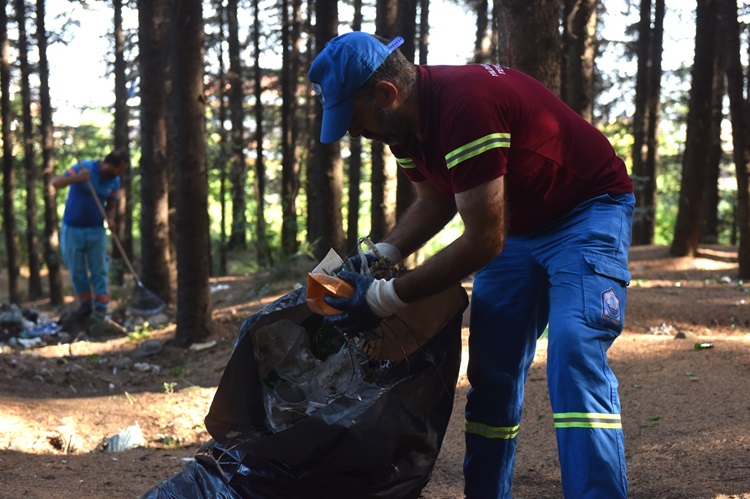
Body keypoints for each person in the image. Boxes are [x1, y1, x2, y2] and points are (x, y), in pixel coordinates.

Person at [308, 32, 633, 498]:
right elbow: (434, 198)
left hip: (586, 211)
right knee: (492, 370)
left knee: (573, 352)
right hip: (518, 224)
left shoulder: (466, 109)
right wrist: (382, 255)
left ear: (386, 94)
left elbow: (483, 240)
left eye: (354, 118)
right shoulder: (404, 127)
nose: (355, 132)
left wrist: (384, 297)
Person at [51, 151, 129, 321]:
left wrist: (111, 219)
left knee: (99, 269)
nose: (120, 174)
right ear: (110, 165)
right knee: (77, 270)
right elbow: (56, 182)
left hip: (96, 230)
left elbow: (112, 204)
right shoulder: (84, 167)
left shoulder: (114, 181)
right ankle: (85, 305)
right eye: (119, 169)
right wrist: (77, 178)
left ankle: (101, 308)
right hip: (73, 229)